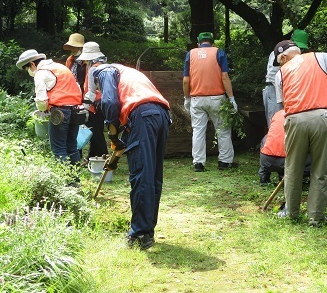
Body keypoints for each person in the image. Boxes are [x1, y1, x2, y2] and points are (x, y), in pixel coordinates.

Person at [80, 43, 171, 250]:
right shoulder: (124, 71)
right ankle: (147, 231)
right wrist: (119, 139)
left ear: (91, 64)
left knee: (141, 174)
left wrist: (112, 132)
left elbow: (110, 103)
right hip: (161, 115)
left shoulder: (102, 71)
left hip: (142, 116)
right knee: (153, 175)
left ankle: (139, 234)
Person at [274, 39, 327, 226]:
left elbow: (284, 106)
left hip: (294, 119)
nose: (281, 64)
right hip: (321, 117)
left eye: (280, 61)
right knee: (320, 169)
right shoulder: (320, 57)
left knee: (293, 168)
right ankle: (316, 218)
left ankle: (291, 214)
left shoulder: (280, 74)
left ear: (283, 57)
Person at [182, 31, 238, 172]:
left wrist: (187, 98)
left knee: (198, 131)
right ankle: (224, 162)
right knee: (223, 130)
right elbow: (225, 77)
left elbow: (185, 80)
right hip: (217, 98)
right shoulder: (218, 52)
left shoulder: (191, 54)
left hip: (196, 99)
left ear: (198, 43)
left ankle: (198, 163)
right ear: (213, 43)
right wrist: (231, 98)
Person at [16, 49, 83, 164]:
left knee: (58, 149)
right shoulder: (61, 67)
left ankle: (66, 181)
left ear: (32, 64)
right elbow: (77, 87)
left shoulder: (41, 73)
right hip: (76, 111)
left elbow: (42, 101)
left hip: (59, 113)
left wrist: (42, 109)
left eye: (27, 68)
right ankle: (75, 178)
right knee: (72, 146)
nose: (29, 71)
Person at [64, 35, 108, 161]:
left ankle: (97, 157)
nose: (72, 49)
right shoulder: (70, 60)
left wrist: (87, 102)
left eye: (74, 46)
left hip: (92, 98)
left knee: (94, 128)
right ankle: (79, 156)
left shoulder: (93, 64)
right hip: (77, 96)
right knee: (78, 128)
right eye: (70, 46)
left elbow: (92, 87)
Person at [262, 29, 309, 126]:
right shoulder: (278, 54)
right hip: (273, 91)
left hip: (287, 92)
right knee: (275, 124)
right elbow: (274, 76)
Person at [259, 109, 311, 186]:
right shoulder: (305, 116)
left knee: (267, 138)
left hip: (268, 160)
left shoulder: (278, 113)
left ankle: (264, 175)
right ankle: (295, 177)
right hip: (290, 162)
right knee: (313, 150)